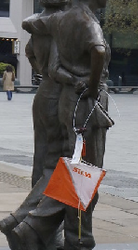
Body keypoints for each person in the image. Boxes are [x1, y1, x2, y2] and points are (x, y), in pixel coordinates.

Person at [7, 0, 113, 249]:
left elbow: (30, 24)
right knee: (83, 173)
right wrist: (93, 85)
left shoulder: (59, 20)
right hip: (85, 100)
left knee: (65, 167)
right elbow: (98, 50)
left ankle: (32, 225)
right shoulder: (86, 21)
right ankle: (64, 235)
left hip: (66, 98)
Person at [0, 1, 69, 249]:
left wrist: (41, 71)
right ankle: (24, 221)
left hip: (43, 94)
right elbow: (57, 64)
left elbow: (29, 52)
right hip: (60, 95)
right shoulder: (62, 24)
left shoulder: (40, 25)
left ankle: (44, 231)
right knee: (60, 166)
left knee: (42, 163)